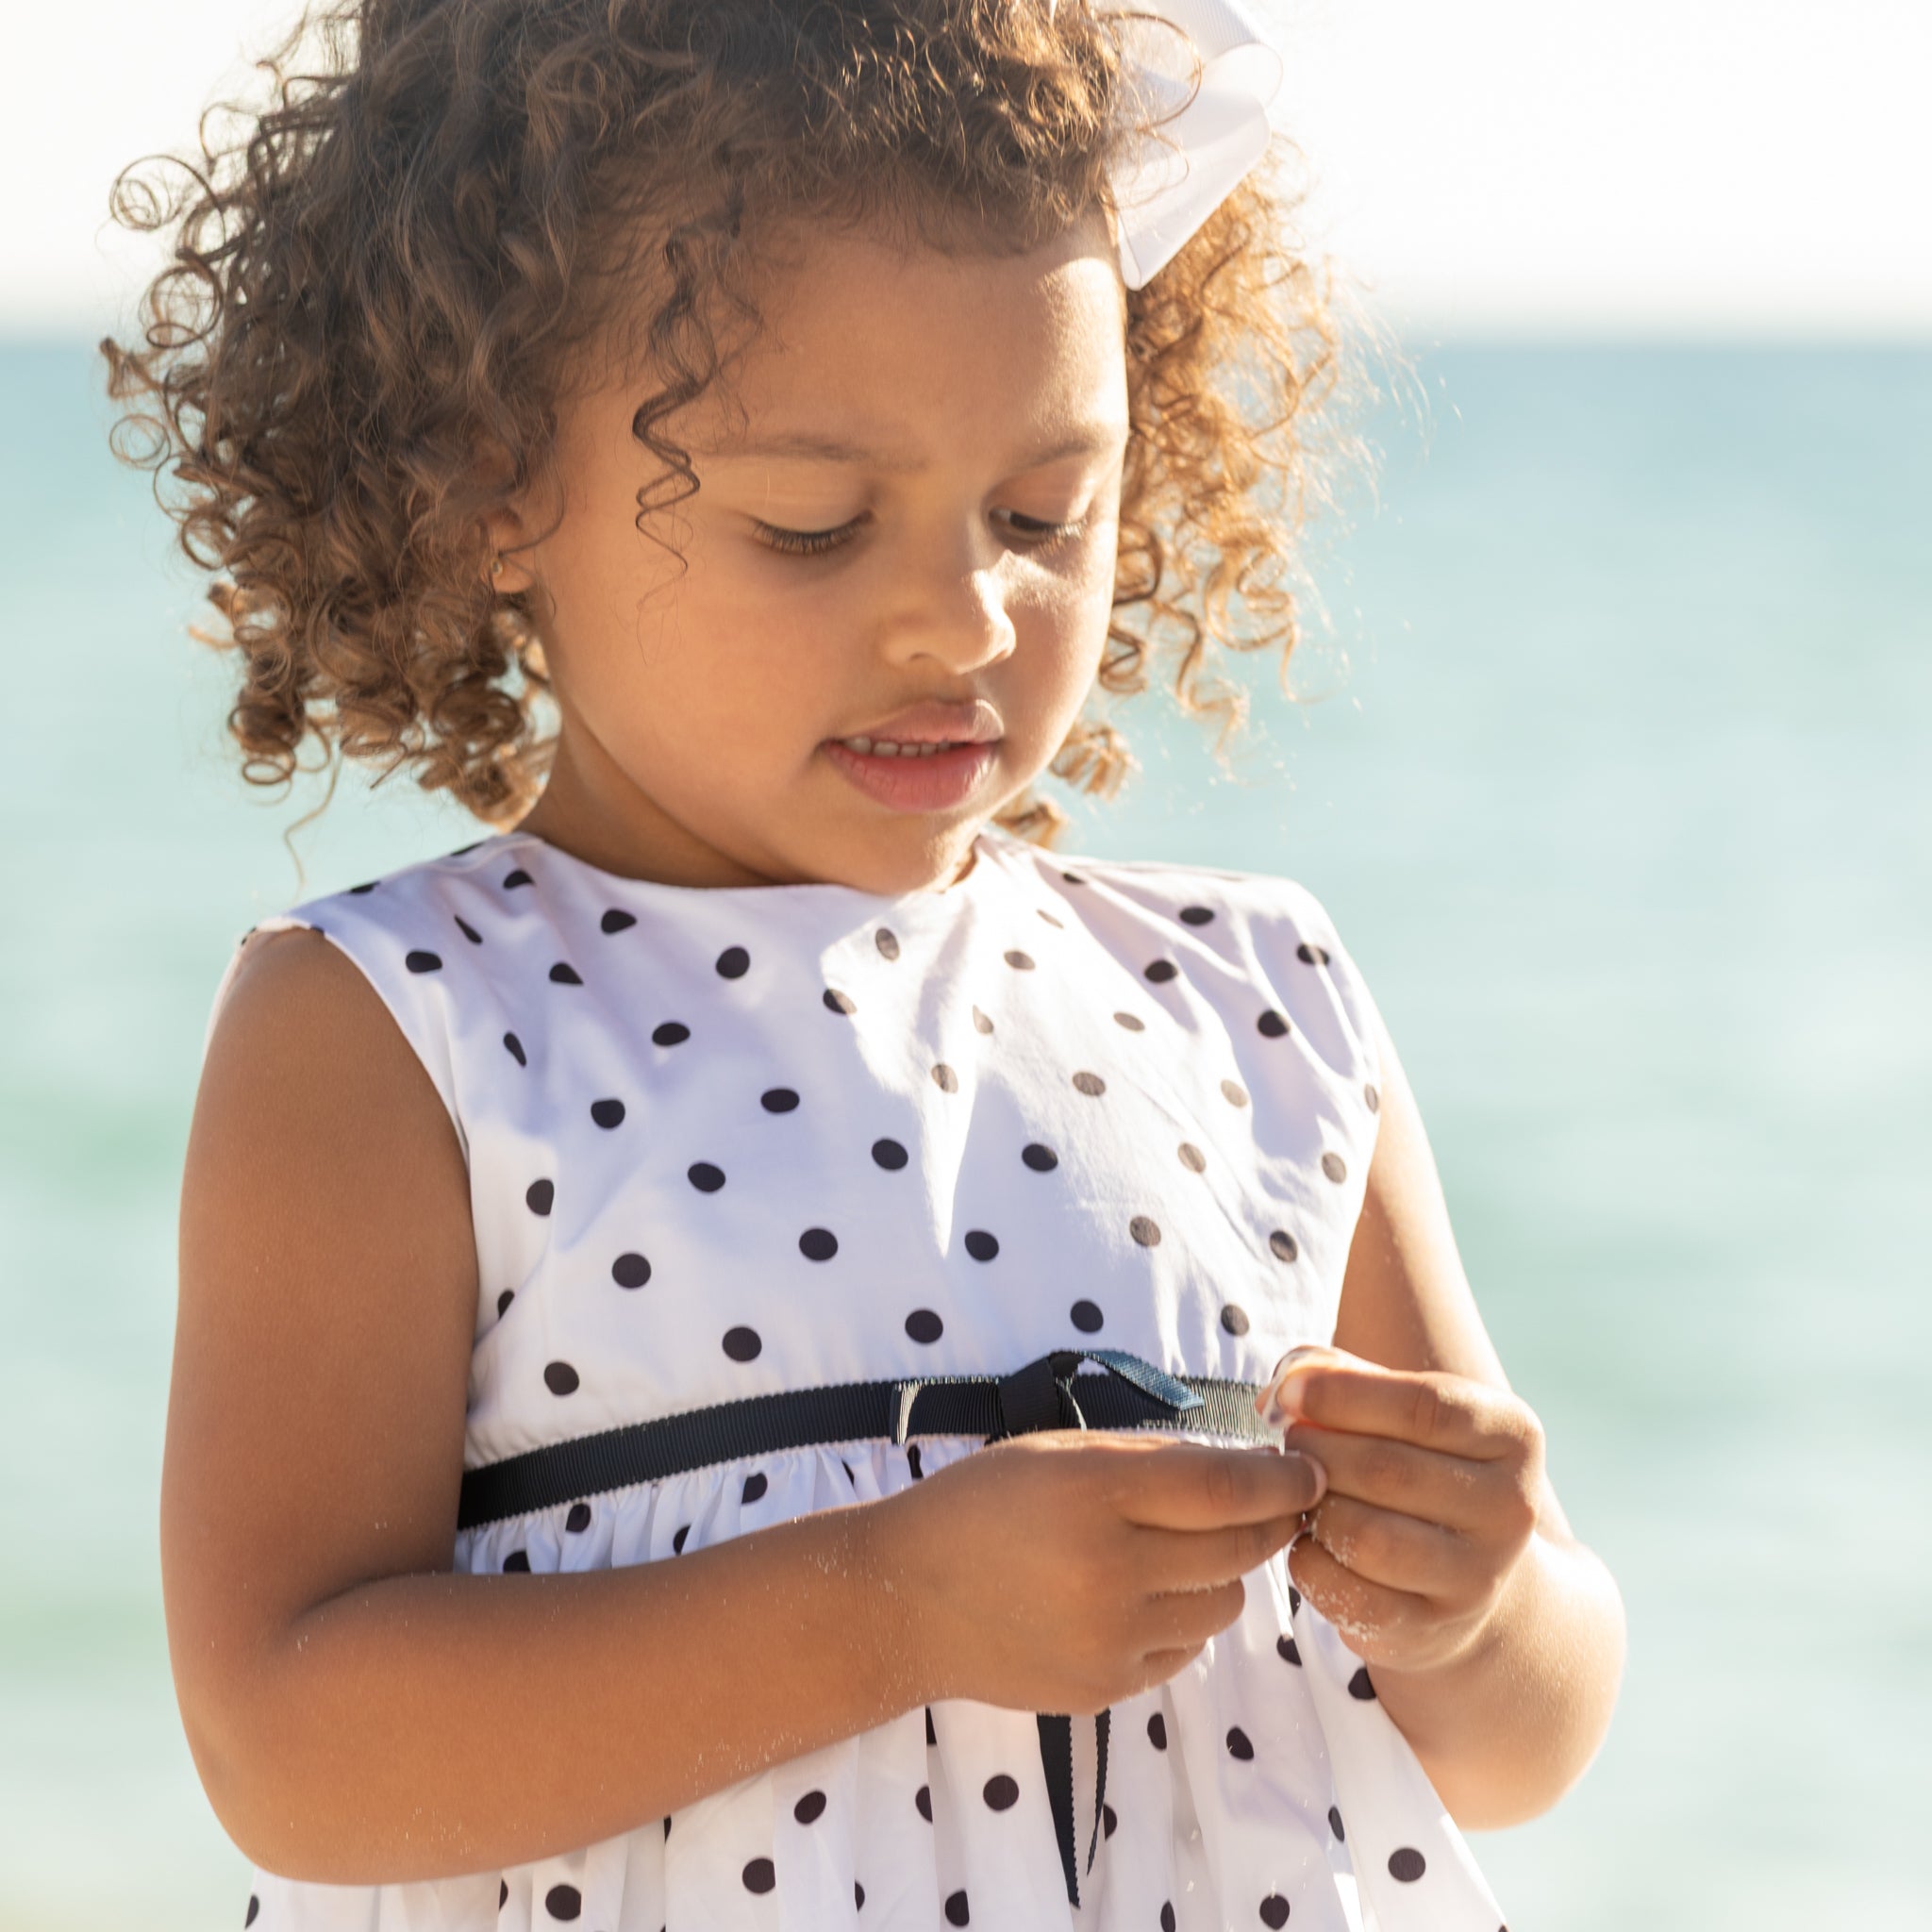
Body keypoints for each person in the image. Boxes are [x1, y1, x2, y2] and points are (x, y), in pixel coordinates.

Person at [108, 0, 1626, 1924]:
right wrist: (891, 1606)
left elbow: (1516, 1744)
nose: (958, 615)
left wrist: (1477, 1598)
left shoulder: (1253, 994)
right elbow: (289, 1747)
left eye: (1041, 514)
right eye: (811, 526)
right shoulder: (399, 1025)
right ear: (494, 476)